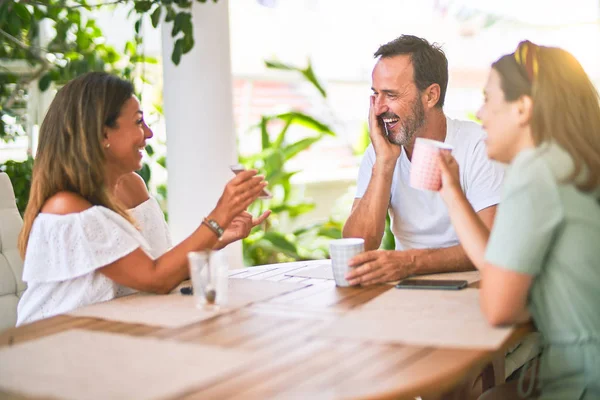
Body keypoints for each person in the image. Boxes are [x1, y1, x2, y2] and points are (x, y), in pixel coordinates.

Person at [16, 72, 269, 325]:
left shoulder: (132, 187)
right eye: (138, 122)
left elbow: (162, 266)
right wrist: (218, 216)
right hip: (56, 340)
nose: (148, 133)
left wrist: (216, 237)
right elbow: (155, 278)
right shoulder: (67, 208)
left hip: (119, 330)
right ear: (103, 135)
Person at [438, 41, 600, 399]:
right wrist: (452, 193)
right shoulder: (571, 164)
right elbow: (502, 267)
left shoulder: (536, 172)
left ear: (523, 109)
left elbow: (499, 307)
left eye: (488, 99)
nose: (480, 113)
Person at [343, 35, 504, 286]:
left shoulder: (478, 146)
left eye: (391, 95)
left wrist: (409, 262)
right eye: (375, 94)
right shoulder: (381, 152)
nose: (379, 108)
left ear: (430, 96)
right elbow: (357, 246)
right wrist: (384, 164)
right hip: (408, 287)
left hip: (475, 285)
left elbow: (493, 245)